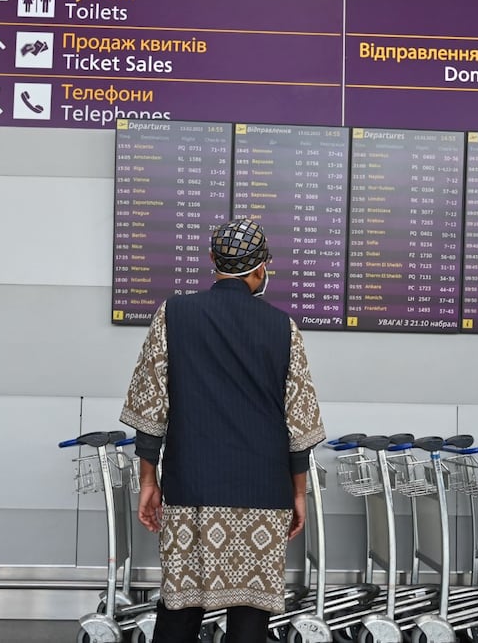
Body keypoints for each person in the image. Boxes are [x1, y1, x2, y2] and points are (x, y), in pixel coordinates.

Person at [120, 218, 325, 642]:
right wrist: (298, 492)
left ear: (212, 260)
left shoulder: (172, 315)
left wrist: (147, 480)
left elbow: (149, 405)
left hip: (192, 487)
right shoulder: (283, 329)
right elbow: (298, 423)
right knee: (250, 618)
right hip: (263, 493)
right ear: (261, 268)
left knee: (180, 610)